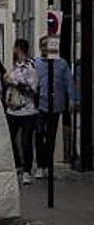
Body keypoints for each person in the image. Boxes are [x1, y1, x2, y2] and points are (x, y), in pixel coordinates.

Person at [33, 38, 78, 179]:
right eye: (44, 46)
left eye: (49, 46)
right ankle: (40, 165)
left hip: (56, 105)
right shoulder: (36, 63)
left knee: (51, 137)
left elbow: (69, 83)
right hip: (39, 105)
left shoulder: (62, 64)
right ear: (41, 48)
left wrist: (72, 100)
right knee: (39, 135)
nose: (47, 49)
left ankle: (47, 165)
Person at [5, 39, 39, 185]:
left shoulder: (31, 69)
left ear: (19, 49)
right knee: (10, 139)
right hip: (12, 110)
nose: (13, 50)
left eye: (15, 48)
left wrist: (15, 83)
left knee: (26, 142)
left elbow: (33, 90)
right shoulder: (14, 68)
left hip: (28, 111)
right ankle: (18, 164)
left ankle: (27, 171)